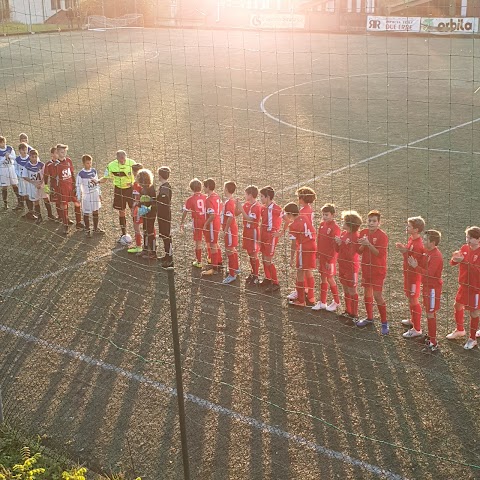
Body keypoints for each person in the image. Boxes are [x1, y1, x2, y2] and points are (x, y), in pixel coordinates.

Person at [408, 229, 443, 352]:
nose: (423, 241)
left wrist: (415, 266)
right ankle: (431, 337)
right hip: (427, 287)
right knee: (429, 313)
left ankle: (433, 343)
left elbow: (430, 274)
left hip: (433, 289)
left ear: (432, 242)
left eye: (425, 239)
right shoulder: (427, 252)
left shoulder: (436, 256)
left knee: (430, 314)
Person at [356, 210, 389, 335]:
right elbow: (359, 251)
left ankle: (384, 322)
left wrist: (368, 244)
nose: (371, 223)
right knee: (367, 294)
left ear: (379, 223)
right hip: (366, 268)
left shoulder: (383, 236)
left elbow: (379, 254)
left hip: (378, 270)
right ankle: (369, 318)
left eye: (374, 221)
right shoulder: (363, 232)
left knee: (377, 296)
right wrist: (363, 245)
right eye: (369, 221)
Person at [447, 226, 480, 350]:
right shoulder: (464, 248)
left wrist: (464, 261)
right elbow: (453, 262)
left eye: (471, 238)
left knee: (474, 312)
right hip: (464, 285)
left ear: (479, 240)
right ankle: (460, 329)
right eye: (467, 237)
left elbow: (477, 271)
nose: (468, 240)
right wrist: (455, 259)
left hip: (476, 288)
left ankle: (472, 339)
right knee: (457, 305)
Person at [282, 202, 317, 307]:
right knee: (308, 270)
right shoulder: (304, 217)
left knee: (300, 272)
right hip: (312, 245)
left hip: (304, 248)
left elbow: (293, 245)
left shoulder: (293, 225)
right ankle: (311, 297)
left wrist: (292, 258)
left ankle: (301, 300)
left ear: (289, 214)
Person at [395, 216, 425, 337]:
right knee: (410, 298)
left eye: (409, 226)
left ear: (416, 229)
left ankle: (417, 329)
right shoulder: (411, 239)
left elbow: (413, 262)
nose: (406, 227)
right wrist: (405, 250)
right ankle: (413, 320)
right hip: (408, 274)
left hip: (414, 277)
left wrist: (404, 252)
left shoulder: (418, 244)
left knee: (413, 300)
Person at [99, 150, 136, 242]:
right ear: (117, 158)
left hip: (131, 190)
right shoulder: (111, 165)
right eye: (121, 160)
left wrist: (133, 184)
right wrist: (97, 181)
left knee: (134, 211)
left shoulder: (132, 163)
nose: (123, 161)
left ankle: (137, 232)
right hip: (119, 190)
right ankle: (123, 233)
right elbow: (105, 178)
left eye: (124, 159)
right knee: (121, 212)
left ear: (126, 157)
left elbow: (140, 175)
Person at [312, 203, 341, 312]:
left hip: (330, 259)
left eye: (327, 215)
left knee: (330, 278)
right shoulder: (322, 225)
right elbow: (319, 240)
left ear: (333, 215)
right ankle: (323, 302)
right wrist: (317, 255)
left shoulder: (335, 228)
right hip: (322, 256)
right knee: (323, 278)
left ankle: (337, 301)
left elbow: (334, 247)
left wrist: (330, 260)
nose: (324, 217)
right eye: (323, 214)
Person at [49, 144, 83, 235]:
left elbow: (72, 173)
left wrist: (75, 185)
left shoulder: (68, 161)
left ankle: (79, 223)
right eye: (61, 152)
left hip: (70, 186)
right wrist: (53, 189)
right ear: (57, 152)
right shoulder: (55, 165)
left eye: (64, 151)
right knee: (64, 206)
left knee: (77, 203)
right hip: (62, 188)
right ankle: (66, 225)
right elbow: (53, 178)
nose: (63, 153)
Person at [335, 210, 362, 323]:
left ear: (350, 224)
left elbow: (351, 255)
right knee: (345, 288)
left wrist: (341, 243)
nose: (342, 223)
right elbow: (337, 251)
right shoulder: (343, 234)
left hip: (351, 268)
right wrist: (337, 243)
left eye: (344, 221)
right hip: (342, 266)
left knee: (352, 290)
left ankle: (354, 315)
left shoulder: (355, 237)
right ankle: (348, 310)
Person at [237, 185, 262, 285]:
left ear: (250, 195)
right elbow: (235, 213)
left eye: (246, 194)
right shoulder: (246, 204)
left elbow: (250, 219)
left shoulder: (257, 206)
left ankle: (256, 275)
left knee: (254, 254)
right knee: (249, 253)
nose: (244, 196)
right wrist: (237, 206)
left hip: (253, 232)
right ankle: (253, 272)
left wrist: (241, 209)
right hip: (246, 231)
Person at [259, 185, 282, 293]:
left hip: (270, 237)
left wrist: (280, 232)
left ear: (268, 197)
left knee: (268, 260)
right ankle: (268, 278)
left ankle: (275, 282)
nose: (260, 199)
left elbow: (287, 219)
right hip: (263, 236)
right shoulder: (263, 208)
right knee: (264, 259)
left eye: (262, 196)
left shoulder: (276, 208)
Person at [180, 178, 208, 267]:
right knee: (208, 240)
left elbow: (185, 211)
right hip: (206, 219)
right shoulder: (206, 197)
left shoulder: (190, 199)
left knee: (198, 241)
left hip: (197, 221)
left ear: (191, 188)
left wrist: (182, 222)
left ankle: (199, 261)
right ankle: (210, 257)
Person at [76, 155, 104, 237]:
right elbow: (78, 185)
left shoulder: (94, 171)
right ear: (83, 163)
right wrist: (78, 197)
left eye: (90, 162)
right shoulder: (81, 174)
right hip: (86, 196)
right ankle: (87, 229)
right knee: (86, 212)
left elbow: (97, 183)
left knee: (96, 211)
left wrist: (99, 194)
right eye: (87, 163)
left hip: (94, 194)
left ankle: (95, 228)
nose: (89, 164)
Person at [202, 178, 223, 276]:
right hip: (217, 222)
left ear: (208, 187)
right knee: (215, 243)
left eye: (204, 186)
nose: (203, 188)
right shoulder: (217, 196)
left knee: (213, 245)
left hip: (212, 224)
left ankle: (215, 268)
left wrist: (206, 224)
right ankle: (219, 262)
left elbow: (212, 215)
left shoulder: (209, 199)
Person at [221, 181, 239, 284]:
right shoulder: (229, 201)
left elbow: (230, 217)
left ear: (227, 189)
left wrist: (225, 229)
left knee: (229, 251)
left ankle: (232, 274)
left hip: (230, 229)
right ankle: (235, 268)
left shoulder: (229, 202)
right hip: (231, 229)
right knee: (232, 249)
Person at [137, 168, 157, 260]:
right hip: (145, 213)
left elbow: (154, 202)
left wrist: (148, 206)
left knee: (150, 232)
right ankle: (145, 248)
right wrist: (139, 204)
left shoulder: (151, 188)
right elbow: (142, 200)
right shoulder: (143, 189)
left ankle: (153, 252)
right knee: (145, 230)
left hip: (151, 213)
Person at [22, 149, 46, 224]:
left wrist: (41, 182)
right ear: (29, 157)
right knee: (36, 201)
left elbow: (46, 174)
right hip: (33, 186)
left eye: (36, 157)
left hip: (44, 185)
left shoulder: (42, 164)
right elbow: (24, 176)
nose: (34, 158)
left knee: (47, 198)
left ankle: (50, 215)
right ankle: (39, 217)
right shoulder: (27, 165)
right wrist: (34, 183)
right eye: (33, 157)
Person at [156, 166, 173, 267]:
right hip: (162, 214)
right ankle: (167, 255)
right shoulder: (164, 186)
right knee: (164, 235)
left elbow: (164, 200)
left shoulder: (165, 187)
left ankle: (170, 259)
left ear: (160, 175)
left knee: (167, 236)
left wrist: (154, 201)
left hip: (165, 215)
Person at [127, 163, 144, 254]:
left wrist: (133, 209)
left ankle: (139, 246)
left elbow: (137, 199)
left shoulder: (136, 184)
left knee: (136, 226)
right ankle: (151, 244)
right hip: (147, 208)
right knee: (148, 226)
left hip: (139, 209)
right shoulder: (148, 182)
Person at [0, 136, 20, 211]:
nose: (3, 144)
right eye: (1, 143)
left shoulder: (10, 148)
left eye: (4, 142)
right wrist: (5, 157)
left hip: (11, 168)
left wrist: (9, 156)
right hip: (3, 170)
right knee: (4, 186)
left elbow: (14, 157)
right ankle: (5, 204)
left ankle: (20, 202)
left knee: (14, 185)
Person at [43, 146, 62, 221]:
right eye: (56, 153)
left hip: (62, 185)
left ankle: (64, 216)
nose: (58, 154)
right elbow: (45, 176)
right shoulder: (48, 164)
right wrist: (46, 187)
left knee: (63, 201)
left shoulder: (61, 162)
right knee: (57, 201)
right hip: (54, 185)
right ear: (52, 154)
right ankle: (59, 216)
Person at [13, 142, 30, 213]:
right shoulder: (17, 159)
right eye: (23, 150)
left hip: (29, 180)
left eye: (25, 150)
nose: (24, 151)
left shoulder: (30, 158)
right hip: (21, 180)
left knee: (30, 195)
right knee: (24, 195)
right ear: (19, 150)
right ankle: (24, 207)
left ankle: (31, 211)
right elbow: (15, 168)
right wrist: (19, 174)